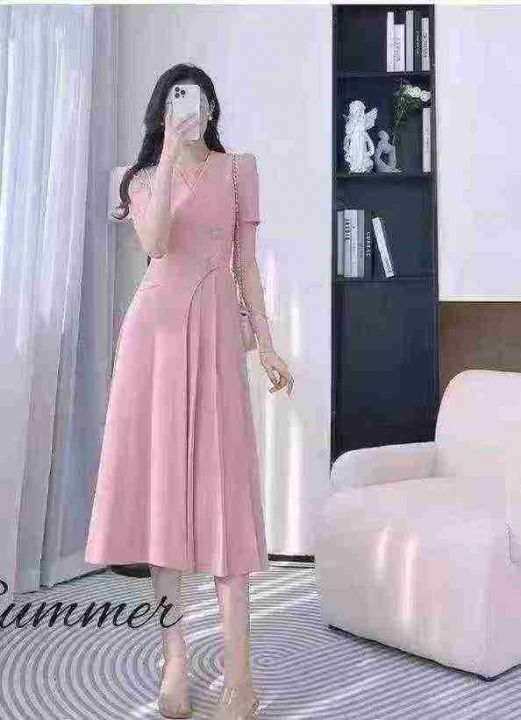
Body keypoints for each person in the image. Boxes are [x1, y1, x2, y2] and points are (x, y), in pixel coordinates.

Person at [84, 62, 294, 719]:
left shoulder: (239, 170)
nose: (191, 107)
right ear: (162, 111)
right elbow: (154, 244)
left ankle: (240, 678)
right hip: (153, 341)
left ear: (212, 108)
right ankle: (173, 662)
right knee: (161, 505)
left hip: (216, 341)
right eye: (178, 98)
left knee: (225, 501)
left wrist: (266, 343)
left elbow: (246, 265)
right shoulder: (139, 178)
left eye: (199, 97)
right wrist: (169, 155)